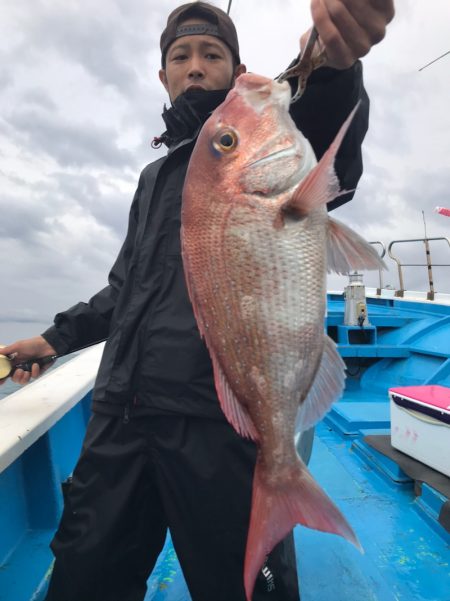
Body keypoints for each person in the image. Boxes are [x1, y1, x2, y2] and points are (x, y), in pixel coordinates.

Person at [0, 2, 394, 600]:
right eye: (180, 57)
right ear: (163, 76)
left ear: (237, 70)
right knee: (83, 580)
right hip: (120, 419)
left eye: (212, 55)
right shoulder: (155, 178)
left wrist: (335, 65)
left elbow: (317, 110)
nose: (195, 67)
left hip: (219, 423)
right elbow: (126, 286)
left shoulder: (260, 143)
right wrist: (53, 339)